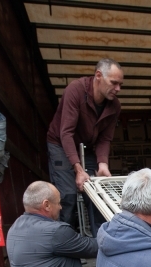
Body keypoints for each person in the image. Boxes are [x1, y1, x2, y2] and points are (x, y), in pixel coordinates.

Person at [46, 58, 123, 235]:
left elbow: (105, 138)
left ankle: (101, 243)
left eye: (120, 84)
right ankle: (66, 243)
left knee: (97, 194)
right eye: (114, 83)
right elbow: (66, 133)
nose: (118, 89)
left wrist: (102, 164)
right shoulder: (75, 90)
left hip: (87, 147)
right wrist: (78, 170)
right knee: (67, 196)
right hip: (59, 144)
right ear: (98, 76)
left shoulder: (115, 106)